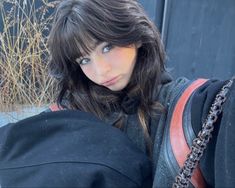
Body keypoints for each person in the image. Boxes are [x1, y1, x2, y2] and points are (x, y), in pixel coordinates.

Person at [0, 0, 234, 187]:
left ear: (135, 35)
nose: (101, 71)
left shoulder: (196, 107)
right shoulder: (67, 116)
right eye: (84, 59)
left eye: (107, 47)